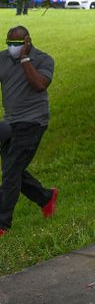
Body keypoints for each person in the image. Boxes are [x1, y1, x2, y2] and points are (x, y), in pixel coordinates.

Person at [0, 26, 58, 237]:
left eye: (16, 44)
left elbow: (40, 84)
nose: (11, 48)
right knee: (11, 169)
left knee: (11, 172)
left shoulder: (43, 59)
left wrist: (25, 60)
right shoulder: (3, 58)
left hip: (33, 122)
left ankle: (2, 224)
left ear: (27, 41)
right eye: (9, 43)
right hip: (9, 123)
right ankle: (45, 197)